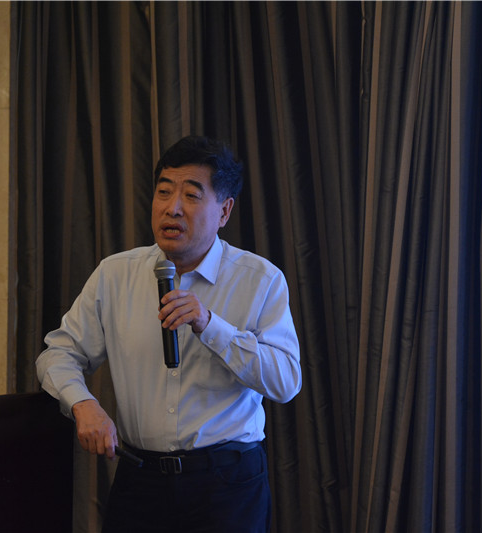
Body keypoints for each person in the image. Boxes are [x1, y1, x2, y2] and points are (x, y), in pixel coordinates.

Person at [36, 135, 302, 532]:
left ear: (224, 211)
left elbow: (285, 382)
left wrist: (211, 325)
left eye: (191, 196)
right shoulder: (115, 274)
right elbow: (58, 353)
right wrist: (82, 403)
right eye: (164, 192)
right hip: (140, 482)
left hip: (226, 486)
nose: (172, 208)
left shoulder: (260, 280)